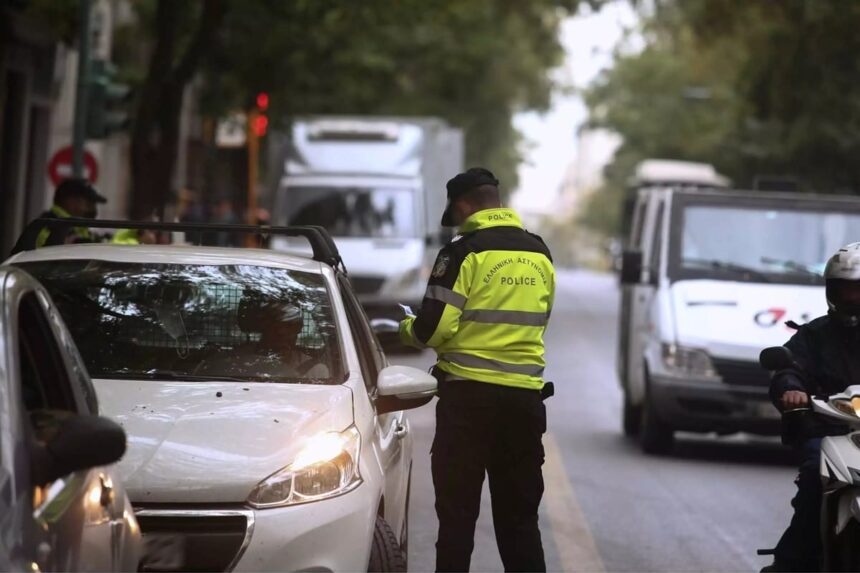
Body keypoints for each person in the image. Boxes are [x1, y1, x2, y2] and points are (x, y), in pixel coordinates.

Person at [399, 167, 556, 572]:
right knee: (521, 522)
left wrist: (405, 330)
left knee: (457, 520)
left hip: (468, 403)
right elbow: (540, 319)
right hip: (524, 403)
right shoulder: (540, 253)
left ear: (464, 205)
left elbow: (433, 329)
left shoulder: (462, 253)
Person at [764, 242, 860, 572]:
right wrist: (792, 389)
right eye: (845, 290)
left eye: (859, 290)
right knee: (813, 477)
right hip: (830, 431)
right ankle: (790, 562)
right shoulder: (815, 335)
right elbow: (789, 368)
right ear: (831, 291)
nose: (852, 298)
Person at [194, 301, 329, 380]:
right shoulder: (234, 360)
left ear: (299, 330)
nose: (283, 334)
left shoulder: (315, 370)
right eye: (276, 327)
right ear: (264, 328)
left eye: (291, 328)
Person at [10, 178, 107, 255]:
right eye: (89, 204)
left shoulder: (77, 228)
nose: (92, 209)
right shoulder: (47, 228)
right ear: (71, 202)